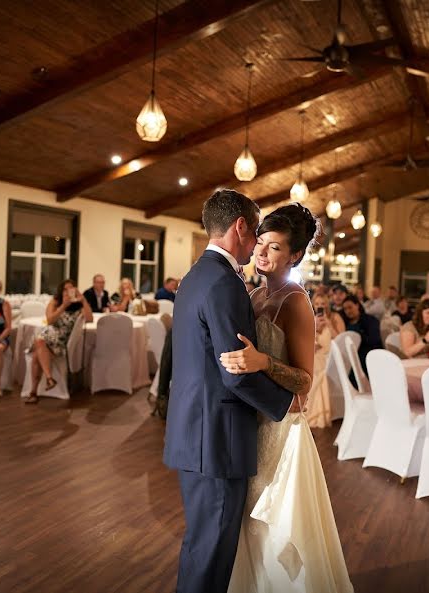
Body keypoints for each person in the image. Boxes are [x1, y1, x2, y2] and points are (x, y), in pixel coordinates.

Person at [215, 200, 353, 592]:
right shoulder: (257, 296)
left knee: (275, 532)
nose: (261, 251)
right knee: (250, 527)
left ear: (294, 255)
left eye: (274, 247)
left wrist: (263, 363)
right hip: (254, 424)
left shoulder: (296, 301)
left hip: (281, 434)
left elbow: (305, 381)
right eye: (260, 242)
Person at [163, 189, 295, 593]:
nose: (257, 243)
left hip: (194, 428)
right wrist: (285, 404)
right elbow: (235, 370)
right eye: (256, 233)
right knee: (212, 551)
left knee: (202, 546)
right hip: (216, 438)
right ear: (240, 226)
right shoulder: (223, 283)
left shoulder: (194, 275)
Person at [24, 279, 93, 404]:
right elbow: (49, 321)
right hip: (49, 334)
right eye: (65, 289)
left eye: (71, 289)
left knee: (36, 353)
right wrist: (63, 306)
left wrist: (83, 300)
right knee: (40, 342)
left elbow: (89, 319)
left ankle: (34, 392)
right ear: (61, 291)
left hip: (62, 342)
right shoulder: (55, 302)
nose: (68, 292)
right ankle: (48, 380)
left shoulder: (78, 305)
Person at [306, 291, 345, 428]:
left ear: (327, 305)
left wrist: (329, 324)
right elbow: (305, 340)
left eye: (322, 304)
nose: (319, 306)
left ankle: (316, 413)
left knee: (318, 374)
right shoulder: (309, 316)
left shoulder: (335, 317)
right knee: (312, 372)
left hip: (331, 358)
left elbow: (342, 340)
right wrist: (315, 326)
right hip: (315, 354)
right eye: (317, 304)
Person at [341, 294, 383, 377]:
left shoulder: (370, 320)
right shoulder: (345, 323)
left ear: (357, 305)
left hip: (369, 355)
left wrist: (358, 336)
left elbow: (374, 340)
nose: (348, 311)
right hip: (351, 356)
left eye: (350, 307)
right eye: (345, 309)